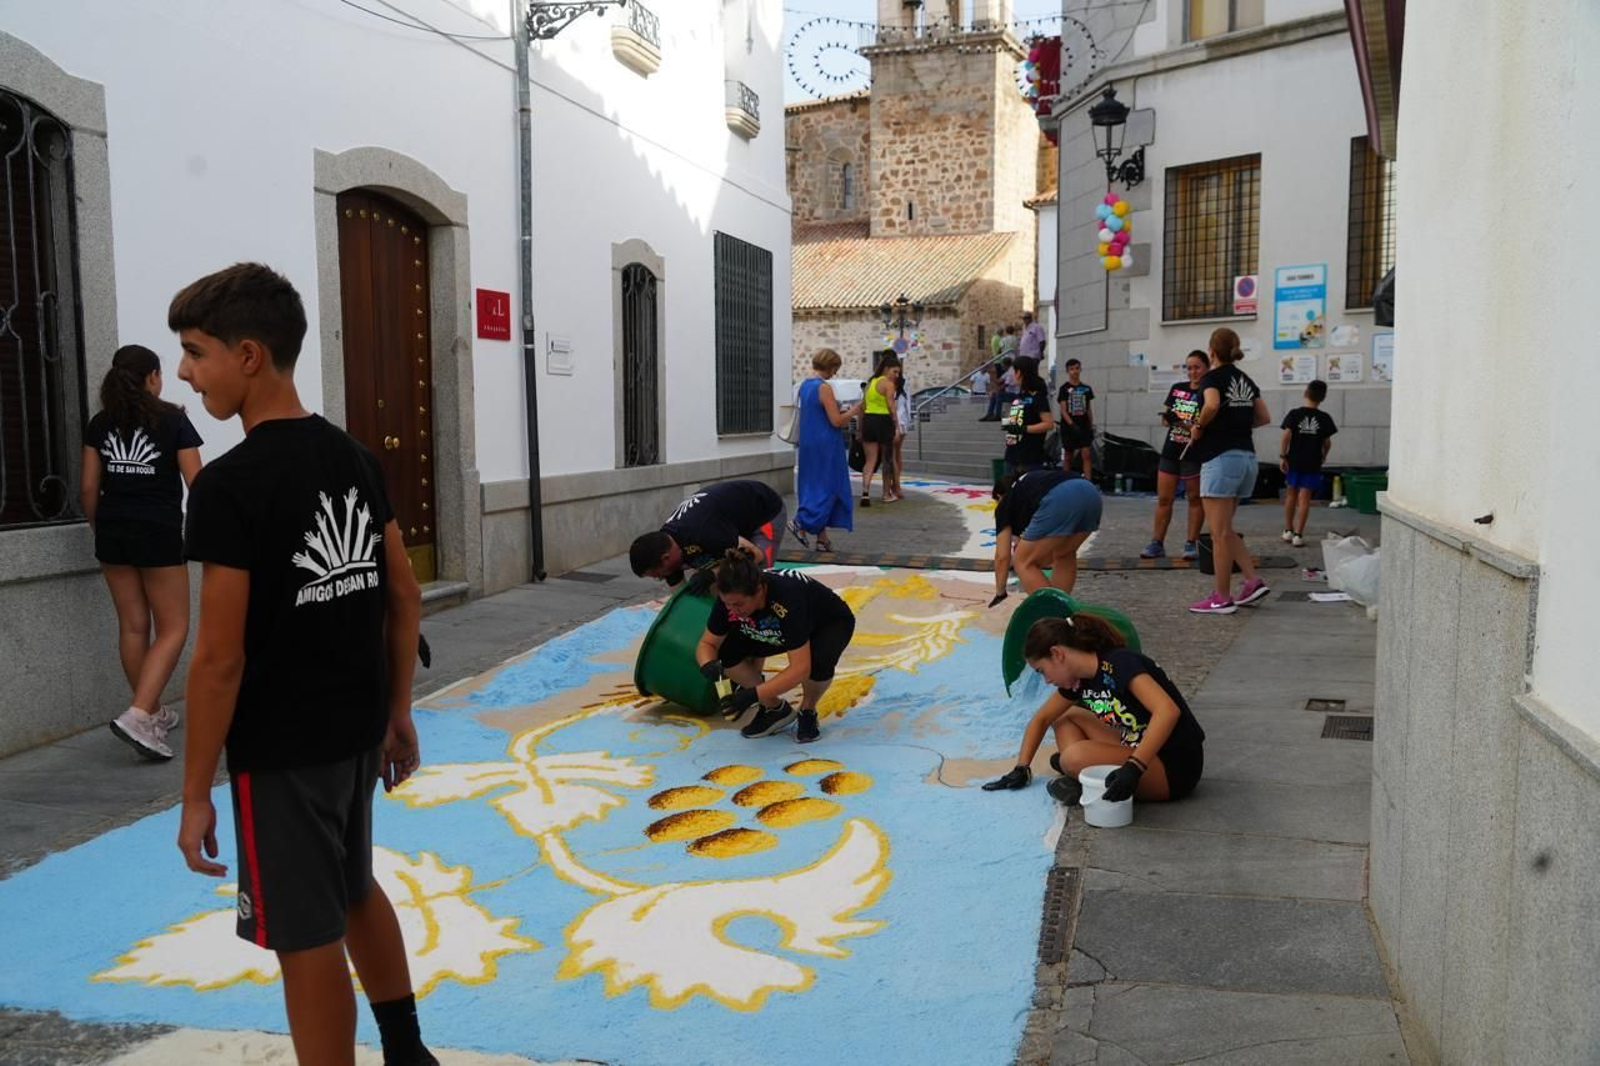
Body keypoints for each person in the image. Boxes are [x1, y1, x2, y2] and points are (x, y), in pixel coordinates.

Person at [171, 263, 436, 1066]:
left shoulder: (228, 487)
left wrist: (194, 793)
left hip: (282, 750)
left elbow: (219, 658)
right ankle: (408, 1052)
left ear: (249, 355)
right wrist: (397, 711)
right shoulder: (354, 457)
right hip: (355, 731)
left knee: (304, 934)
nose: (184, 373)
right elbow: (403, 594)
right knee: (353, 888)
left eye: (196, 352)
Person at [80, 345, 205, 761]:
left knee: (133, 627)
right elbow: (197, 483)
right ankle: (139, 714)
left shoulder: (101, 423)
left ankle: (149, 712)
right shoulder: (173, 420)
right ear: (152, 376)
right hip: (158, 531)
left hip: (113, 531)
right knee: (173, 627)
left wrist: (100, 527)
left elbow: (88, 487)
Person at [981, 616, 1206, 806]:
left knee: (1073, 757)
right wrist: (1022, 767)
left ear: (1057, 654)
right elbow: (1042, 718)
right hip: (1136, 743)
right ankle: (1078, 775)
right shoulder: (1080, 679)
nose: (1046, 680)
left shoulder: (1120, 663)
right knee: (1065, 716)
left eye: (1042, 671)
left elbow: (1167, 710)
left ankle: (1077, 773)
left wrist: (1134, 767)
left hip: (1174, 767)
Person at [694, 551, 856, 744]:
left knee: (818, 662)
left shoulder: (787, 598)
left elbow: (800, 669)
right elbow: (708, 643)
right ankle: (774, 709)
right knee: (725, 653)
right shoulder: (731, 599)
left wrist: (754, 694)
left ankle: (808, 709)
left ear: (759, 590)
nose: (733, 610)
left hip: (826, 623)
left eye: (738, 604)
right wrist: (708, 664)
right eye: (727, 604)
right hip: (774, 626)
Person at [1187, 327, 1273, 614]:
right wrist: (1237, 424)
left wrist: (1199, 426)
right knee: (1225, 529)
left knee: (1218, 533)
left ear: (1211, 351)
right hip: (1247, 457)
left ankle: (1221, 597)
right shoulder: (1245, 379)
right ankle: (1252, 581)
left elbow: (1211, 404)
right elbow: (1264, 417)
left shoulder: (1211, 378)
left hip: (1221, 458)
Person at [630, 480, 786, 589]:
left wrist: (713, 574)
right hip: (728, 524)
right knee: (710, 585)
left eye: (658, 575)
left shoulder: (704, 533)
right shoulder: (667, 543)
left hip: (764, 510)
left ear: (666, 558)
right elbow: (678, 591)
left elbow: (755, 555)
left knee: (755, 578)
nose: (661, 578)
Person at [988, 468, 1101, 604]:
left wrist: (1000, 592)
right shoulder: (1034, 484)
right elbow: (1046, 555)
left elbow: (1002, 557)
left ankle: (1052, 609)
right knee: (1064, 554)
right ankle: (1062, 607)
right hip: (1091, 493)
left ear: (999, 496)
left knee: (1023, 562)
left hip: (1060, 498)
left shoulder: (1006, 503)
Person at [790, 349, 860, 553]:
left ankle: (822, 539)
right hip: (826, 443)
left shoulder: (804, 386)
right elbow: (836, 421)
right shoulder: (824, 388)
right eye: (835, 368)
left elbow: (818, 412)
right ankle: (800, 522)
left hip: (808, 442)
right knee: (830, 486)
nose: (835, 373)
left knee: (814, 485)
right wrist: (856, 410)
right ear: (830, 366)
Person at [1142, 350, 1210, 561]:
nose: (1193, 372)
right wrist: (1169, 418)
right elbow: (1166, 419)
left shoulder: (1209, 392)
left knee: (1194, 498)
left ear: (1206, 367)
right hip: (1171, 449)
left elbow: (1203, 428)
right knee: (1164, 498)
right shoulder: (1177, 388)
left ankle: (1191, 543)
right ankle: (1157, 542)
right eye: (1189, 368)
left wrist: (1182, 423)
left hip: (1194, 452)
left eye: (1197, 367)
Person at [1279, 379, 1338, 547]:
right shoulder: (1324, 418)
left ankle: (1288, 530)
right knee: (1304, 499)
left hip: (1294, 460)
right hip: (1312, 462)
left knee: (1291, 495)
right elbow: (1327, 443)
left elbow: (1286, 436)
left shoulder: (1294, 414)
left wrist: (1283, 456)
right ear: (1323, 398)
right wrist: (1323, 456)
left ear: (1305, 393)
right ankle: (1298, 535)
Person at [857, 350, 901, 508]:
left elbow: (862, 406)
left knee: (870, 460)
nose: (896, 375)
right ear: (886, 369)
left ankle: (865, 492)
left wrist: (860, 428)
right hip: (884, 421)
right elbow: (891, 406)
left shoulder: (870, 383)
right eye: (895, 371)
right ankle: (886, 494)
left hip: (869, 420)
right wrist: (897, 426)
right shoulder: (888, 384)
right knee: (886, 459)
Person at [1001, 355, 1054, 475]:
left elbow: (1048, 424)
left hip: (1030, 457)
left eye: (1013, 371)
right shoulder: (1019, 395)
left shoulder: (1037, 396)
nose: (1012, 375)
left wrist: (1024, 428)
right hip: (1012, 454)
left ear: (1019, 372)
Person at [1056, 359, 1095, 479]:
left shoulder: (1086, 388)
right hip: (1069, 427)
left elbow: (1088, 408)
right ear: (1067, 371)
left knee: (1086, 455)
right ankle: (1065, 480)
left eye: (1077, 368)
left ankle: (1088, 481)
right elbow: (1063, 410)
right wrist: (1072, 424)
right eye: (1072, 369)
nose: (1075, 371)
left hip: (1084, 425)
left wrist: (1091, 425)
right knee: (1068, 455)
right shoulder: (1064, 388)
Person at [886, 363, 912, 503]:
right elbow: (908, 403)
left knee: (892, 455)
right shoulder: (904, 382)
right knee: (896, 453)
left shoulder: (887, 382)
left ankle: (895, 486)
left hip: (895, 420)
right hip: (902, 420)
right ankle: (896, 485)